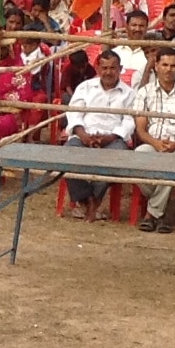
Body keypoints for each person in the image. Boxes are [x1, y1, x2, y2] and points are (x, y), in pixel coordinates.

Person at [128, 45, 175, 232]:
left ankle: (151, 214)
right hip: (153, 142)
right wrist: (156, 143)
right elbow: (140, 128)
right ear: (156, 66)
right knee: (135, 158)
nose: (168, 69)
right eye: (164, 65)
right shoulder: (145, 92)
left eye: (173, 65)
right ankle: (159, 213)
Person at [64, 45, 135, 219]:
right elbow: (74, 112)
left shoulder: (129, 94)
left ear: (120, 69)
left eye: (112, 68)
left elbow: (129, 121)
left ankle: (94, 200)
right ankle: (86, 199)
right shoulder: (85, 87)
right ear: (97, 69)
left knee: (117, 158)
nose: (108, 72)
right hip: (84, 134)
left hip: (113, 138)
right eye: (104, 68)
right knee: (65, 155)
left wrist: (109, 137)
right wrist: (83, 136)